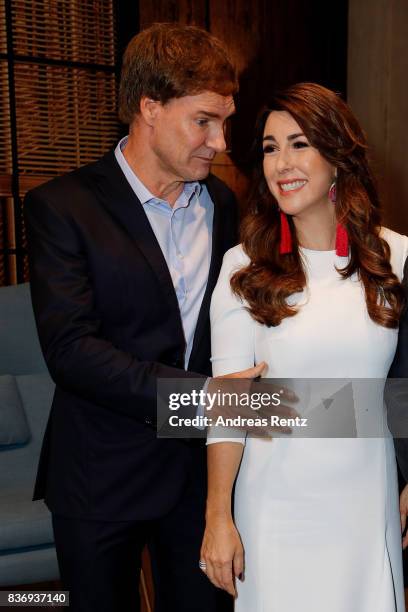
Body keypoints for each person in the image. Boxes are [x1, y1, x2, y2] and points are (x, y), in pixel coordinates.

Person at [24, 22, 264, 612]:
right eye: (204, 120)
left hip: (199, 479)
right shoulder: (62, 207)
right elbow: (72, 352)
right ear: (148, 107)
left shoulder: (224, 203)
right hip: (101, 474)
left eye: (225, 122)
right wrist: (205, 397)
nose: (221, 141)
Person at [200, 82, 408, 611]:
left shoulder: (396, 259)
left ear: (337, 155)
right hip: (274, 506)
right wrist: (218, 515)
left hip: (367, 499)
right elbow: (229, 403)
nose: (281, 163)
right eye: (270, 148)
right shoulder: (241, 267)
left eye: (299, 144)